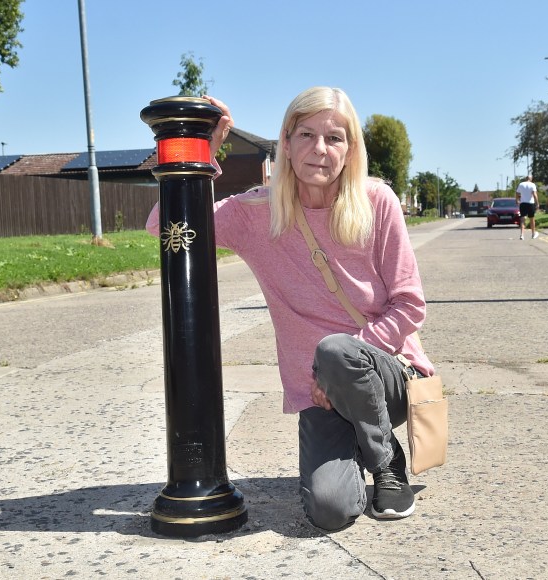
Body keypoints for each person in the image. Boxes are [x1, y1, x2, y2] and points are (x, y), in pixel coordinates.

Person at [146, 87, 434, 531]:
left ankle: (385, 462)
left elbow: (409, 305)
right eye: (306, 134)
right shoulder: (258, 212)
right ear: (285, 141)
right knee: (330, 510)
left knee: (337, 352)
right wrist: (211, 145)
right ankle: (359, 445)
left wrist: (337, 371)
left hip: (387, 376)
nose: (319, 149)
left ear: (351, 149)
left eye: (334, 138)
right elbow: (163, 224)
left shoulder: (378, 202)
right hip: (319, 396)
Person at [515, 175, 539, 239]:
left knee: (522, 219)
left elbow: (517, 193)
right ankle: (533, 234)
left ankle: (522, 235)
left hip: (523, 203)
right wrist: (537, 203)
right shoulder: (532, 184)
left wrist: (517, 200)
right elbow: (534, 194)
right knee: (532, 219)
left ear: (526, 178)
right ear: (531, 179)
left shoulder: (521, 184)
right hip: (530, 203)